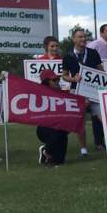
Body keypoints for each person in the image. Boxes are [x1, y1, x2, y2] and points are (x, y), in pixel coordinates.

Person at [35, 35, 69, 167]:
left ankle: (51, 156)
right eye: (54, 80)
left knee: (60, 161)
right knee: (59, 129)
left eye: (57, 79)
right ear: (46, 82)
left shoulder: (62, 92)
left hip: (59, 126)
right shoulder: (39, 95)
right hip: (45, 128)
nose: (57, 81)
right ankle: (47, 151)